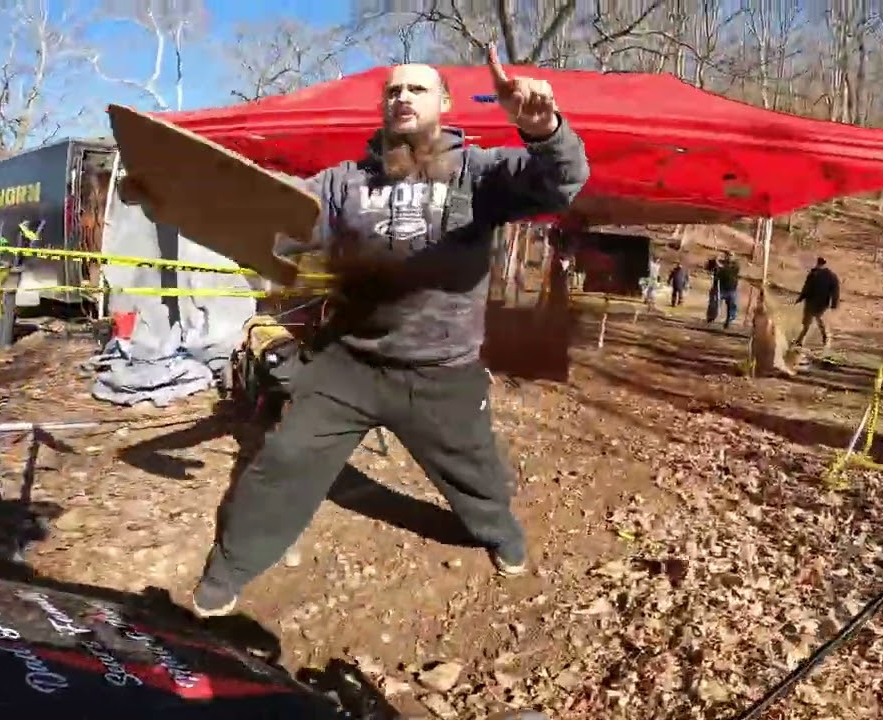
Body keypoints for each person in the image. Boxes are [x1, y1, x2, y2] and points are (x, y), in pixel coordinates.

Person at [164, 49, 590, 617]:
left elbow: (562, 182)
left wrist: (545, 132)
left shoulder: (478, 173)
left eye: (417, 89)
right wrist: (179, 194)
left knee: (478, 475)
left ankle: (499, 532)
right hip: (350, 366)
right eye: (393, 91)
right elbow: (282, 218)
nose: (402, 98)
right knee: (282, 460)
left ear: (444, 104)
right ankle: (228, 569)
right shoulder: (345, 182)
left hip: (442, 372)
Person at [793, 257, 840, 349]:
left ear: (818, 263)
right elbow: (835, 291)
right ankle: (824, 339)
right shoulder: (831, 276)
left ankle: (800, 341)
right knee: (818, 320)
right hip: (822, 303)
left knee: (807, 323)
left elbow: (806, 288)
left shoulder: (814, 274)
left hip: (811, 301)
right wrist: (834, 303)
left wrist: (800, 298)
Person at [710, 250, 741, 329]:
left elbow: (728, 271)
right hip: (720, 288)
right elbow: (709, 267)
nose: (730, 257)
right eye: (728, 255)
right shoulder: (720, 263)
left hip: (731, 289)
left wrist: (720, 266)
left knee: (732, 305)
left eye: (731, 255)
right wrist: (714, 261)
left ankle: (729, 321)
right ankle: (711, 317)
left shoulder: (736, 265)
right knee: (714, 303)